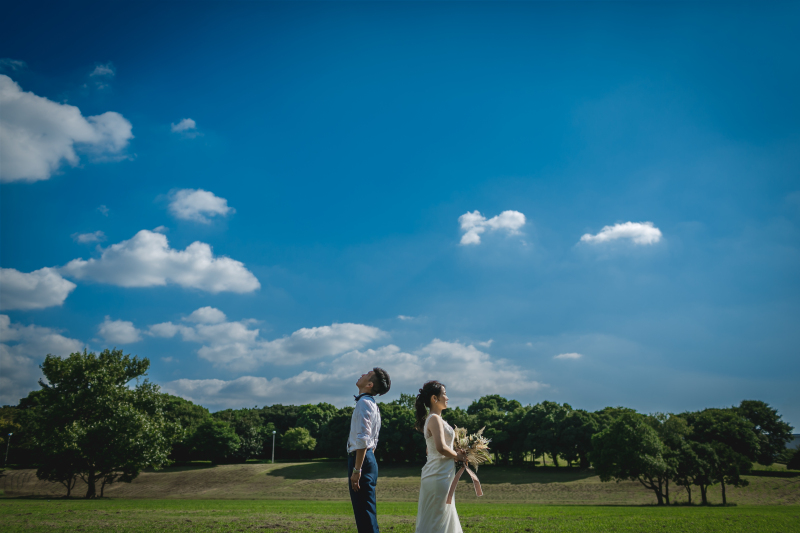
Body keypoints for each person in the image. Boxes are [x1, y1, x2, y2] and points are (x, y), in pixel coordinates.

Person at [414, 380, 467, 533]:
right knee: (437, 519)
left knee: (440, 516)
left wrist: (455, 451)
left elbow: (429, 450)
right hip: (438, 476)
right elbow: (441, 448)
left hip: (441, 473)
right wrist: (458, 456)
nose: (447, 398)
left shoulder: (433, 419)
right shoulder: (434, 419)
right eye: (444, 394)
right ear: (434, 398)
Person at [348, 367, 391, 533]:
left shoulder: (364, 403)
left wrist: (357, 469)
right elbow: (373, 440)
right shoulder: (370, 403)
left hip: (361, 461)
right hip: (367, 459)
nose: (362, 374)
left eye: (366, 375)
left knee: (364, 516)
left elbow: (364, 439)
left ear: (370, 384)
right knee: (365, 514)